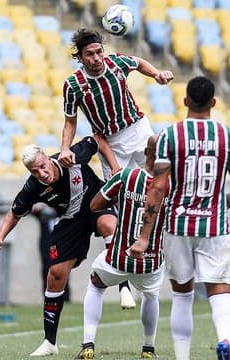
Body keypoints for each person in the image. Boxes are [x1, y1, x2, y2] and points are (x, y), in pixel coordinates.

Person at [129, 76, 230, 360]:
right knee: (220, 292)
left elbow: (157, 187)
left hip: (177, 226)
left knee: (182, 295)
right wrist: (227, 200)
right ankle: (224, 340)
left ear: (185, 101)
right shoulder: (227, 136)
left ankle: (182, 357)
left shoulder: (168, 136)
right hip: (214, 225)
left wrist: (144, 237)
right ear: (213, 103)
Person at [59, 28, 174, 310]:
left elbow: (138, 63)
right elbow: (70, 121)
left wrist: (157, 73)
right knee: (121, 208)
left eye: (99, 51)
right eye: (90, 54)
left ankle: (158, 241)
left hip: (138, 130)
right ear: (80, 58)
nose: (97, 58)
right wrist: (64, 147)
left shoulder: (116, 63)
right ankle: (123, 282)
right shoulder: (73, 85)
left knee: (157, 185)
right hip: (110, 143)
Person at [0, 136, 117, 357]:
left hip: (96, 202)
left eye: (42, 166)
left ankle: (124, 285)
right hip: (70, 220)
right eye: (35, 171)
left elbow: (99, 141)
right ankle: (50, 342)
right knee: (55, 274)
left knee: (108, 224)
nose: (41, 173)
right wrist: (0, 237)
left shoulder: (71, 157)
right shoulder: (33, 187)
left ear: (48, 158)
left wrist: (115, 169)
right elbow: (14, 213)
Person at [75, 135, 167, 359]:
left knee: (96, 284)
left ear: (146, 152)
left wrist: (121, 200)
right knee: (151, 296)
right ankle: (148, 348)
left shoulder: (127, 175)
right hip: (150, 259)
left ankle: (88, 344)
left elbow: (95, 204)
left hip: (119, 256)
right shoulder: (171, 185)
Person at [30, 203, 71, 301]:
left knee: (63, 270)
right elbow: (31, 209)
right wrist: (43, 208)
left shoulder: (63, 215)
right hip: (47, 247)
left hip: (60, 246)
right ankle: (47, 295)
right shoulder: (43, 216)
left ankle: (65, 297)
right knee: (46, 269)